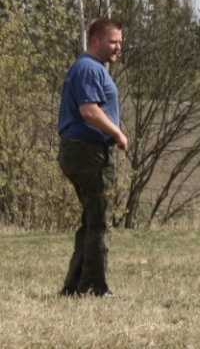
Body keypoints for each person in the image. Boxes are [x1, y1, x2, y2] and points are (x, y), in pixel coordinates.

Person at [57, 17, 128, 297]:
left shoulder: (90, 67)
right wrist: (118, 133)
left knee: (90, 221)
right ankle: (94, 288)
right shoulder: (88, 68)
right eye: (113, 41)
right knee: (99, 223)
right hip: (89, 153)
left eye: (120, 42)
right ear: (95, 40)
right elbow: (89, 110)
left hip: (80, 151)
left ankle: (73, 287)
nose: (118, 47)